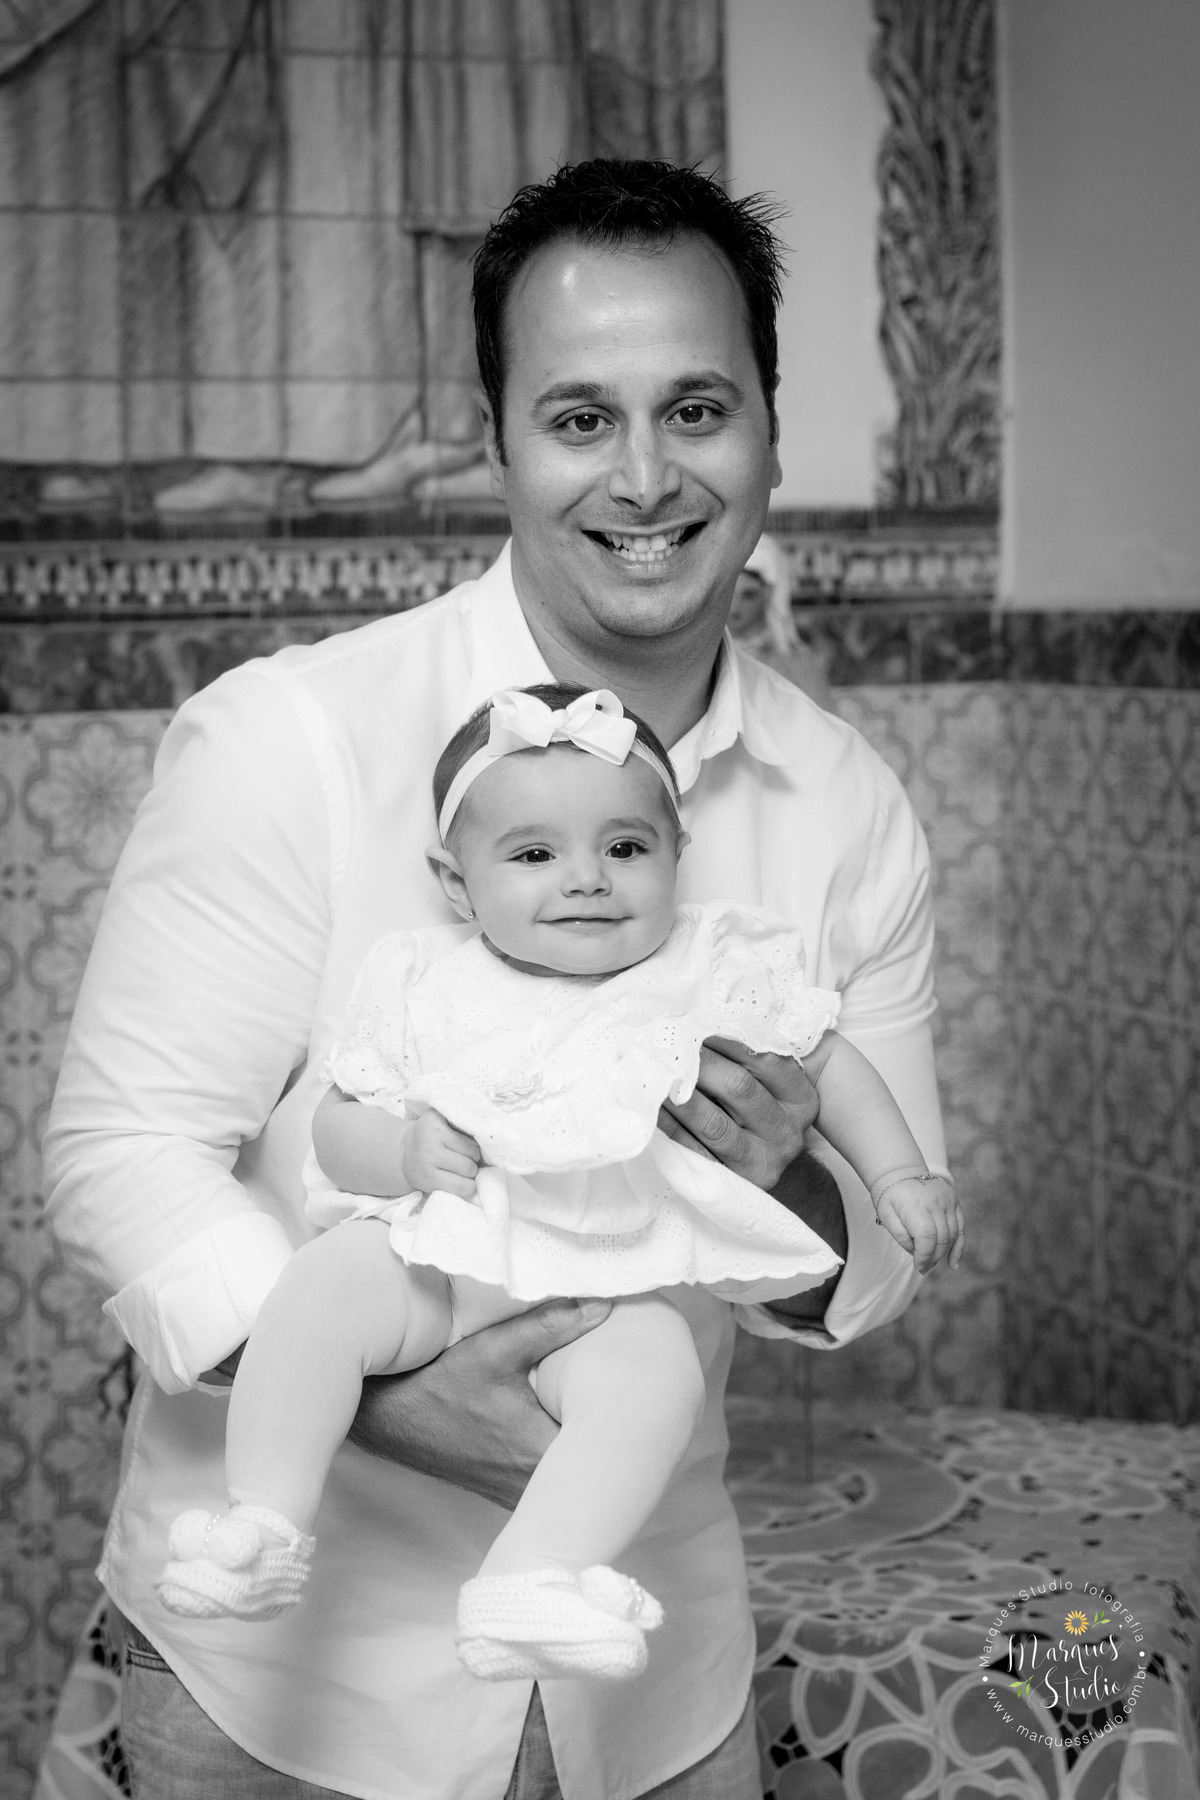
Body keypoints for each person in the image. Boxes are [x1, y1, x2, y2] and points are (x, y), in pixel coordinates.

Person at [44, 159, 947, 1799]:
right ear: (497, 443)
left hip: (651, 1671)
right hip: (289, 1692)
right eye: (581, 418)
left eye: (697, 407)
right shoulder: (291, 739)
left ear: (768, 432)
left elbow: (868, 1261)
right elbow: (118, 1157)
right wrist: (392, 1392)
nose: (650, 475)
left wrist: (800, 1186)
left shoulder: (848, 807)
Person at [154, 683, 962, 1681]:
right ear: (457, 885)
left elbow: (832, 1064)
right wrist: (402, 1156)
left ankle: (535, 1577)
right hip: (441, 1267)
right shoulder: (423, 977)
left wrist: (898, 1175)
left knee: (659, 1370)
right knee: (319, 1291)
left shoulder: (710, 967)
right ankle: (263, 1518)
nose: (585, 880)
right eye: (534, 856)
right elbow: (337, 1125)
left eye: (625, 849)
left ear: (677, 858)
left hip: (603, 1293)